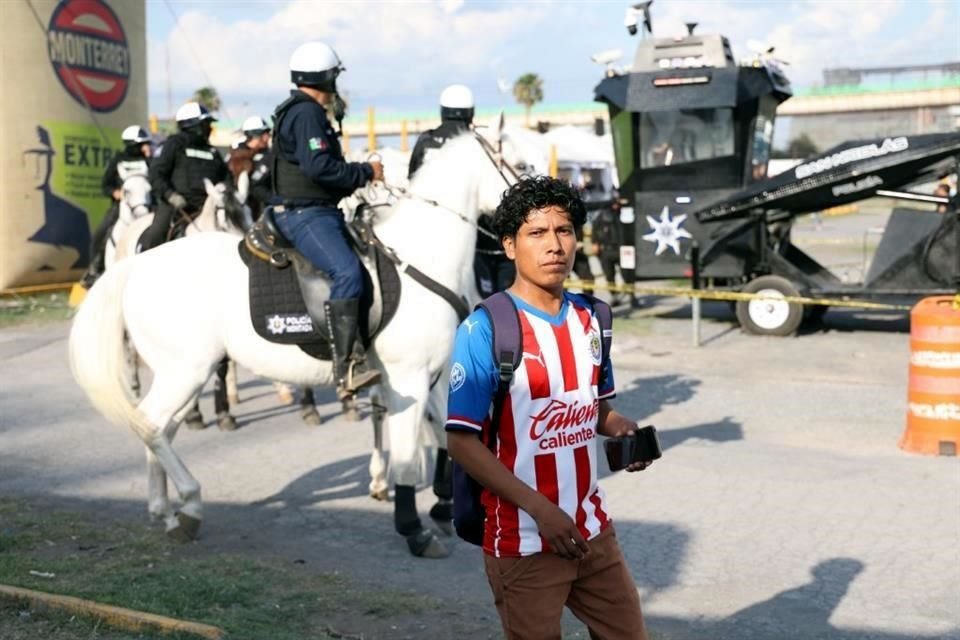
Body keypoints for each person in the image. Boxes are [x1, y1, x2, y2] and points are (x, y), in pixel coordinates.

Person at [445, 176, 651, 640]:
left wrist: (620, 429)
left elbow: (595, 407)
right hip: (523, 541)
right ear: (509, 245)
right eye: (537, 233)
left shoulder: (594, 318)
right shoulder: (485, 330)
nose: (554, 245)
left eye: (564, 231)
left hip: (592, 530)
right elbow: (460, 441)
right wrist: (542, 510)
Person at [269, 41, 384, 399]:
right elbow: (319, 167)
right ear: (328, 77)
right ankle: (347, 366)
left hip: (318, 209)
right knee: (347, 273)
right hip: (306, 213)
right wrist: (365, 171)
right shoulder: (307, 114)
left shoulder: (305, 112)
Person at [141, 101, 229, 251]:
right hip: (177, 205)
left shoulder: (212, 151)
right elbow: (157, 173)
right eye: (206, 124)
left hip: (207, 206)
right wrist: (170, 195)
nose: (209, 128)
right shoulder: (175, 143)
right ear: (192, 124)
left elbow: (225, 178)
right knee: (155, 235)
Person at [80, 125, 152, 287]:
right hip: (121, 207)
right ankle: (94, 269)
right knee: (101, 234)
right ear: (133, 145)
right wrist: (115, 193)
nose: (147, 146)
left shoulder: (149, 161)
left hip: (146, 206)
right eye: (143, 144)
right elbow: (105, 184)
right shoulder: (118, 160)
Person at [407, 84, 474, 179]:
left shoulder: (426, 140)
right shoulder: (476, 143)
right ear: (471, 112)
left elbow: (411, 176)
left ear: (443, 111)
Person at [592, 194, 640, 308]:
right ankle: (614, 296)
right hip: (607, 250)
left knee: (627, 274)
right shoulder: (602, 216)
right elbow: (595, 230)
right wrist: (595, 243)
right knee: (609, 275)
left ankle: (632, 296)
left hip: (623, 249)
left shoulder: (626, 213)